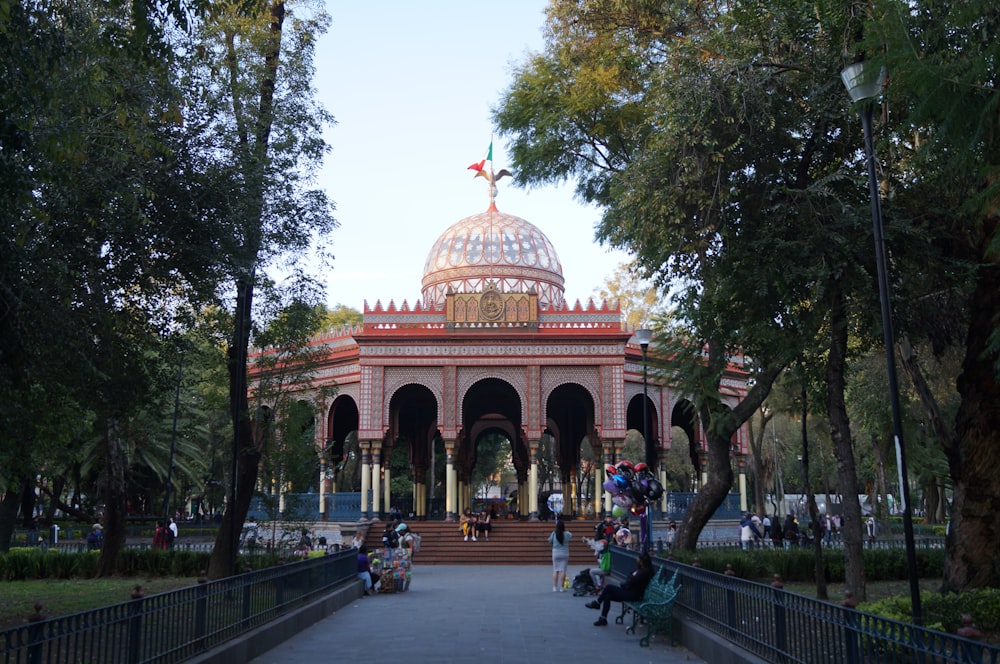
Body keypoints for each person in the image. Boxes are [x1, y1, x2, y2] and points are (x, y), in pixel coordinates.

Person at [585, 552, 655, 626]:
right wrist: (631, 577)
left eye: (638, 559)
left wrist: (631, 577)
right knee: (607, 596)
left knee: (609, 587)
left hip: (633, 595)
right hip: (629, 591)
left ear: (642, 561)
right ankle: (603, 618)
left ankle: (597, 603)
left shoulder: (645, 572)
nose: (636, 560)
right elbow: (630, 576)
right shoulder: (641, 569)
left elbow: (631, 579)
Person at [548, 518, 572, 592]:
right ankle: (562, 587)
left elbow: (549, 540)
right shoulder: (567, 534)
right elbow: (570, 536)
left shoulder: (554, 533)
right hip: (564, 553)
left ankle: (554, 587)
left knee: (555, 570)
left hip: (556, 552)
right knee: (563, 570)